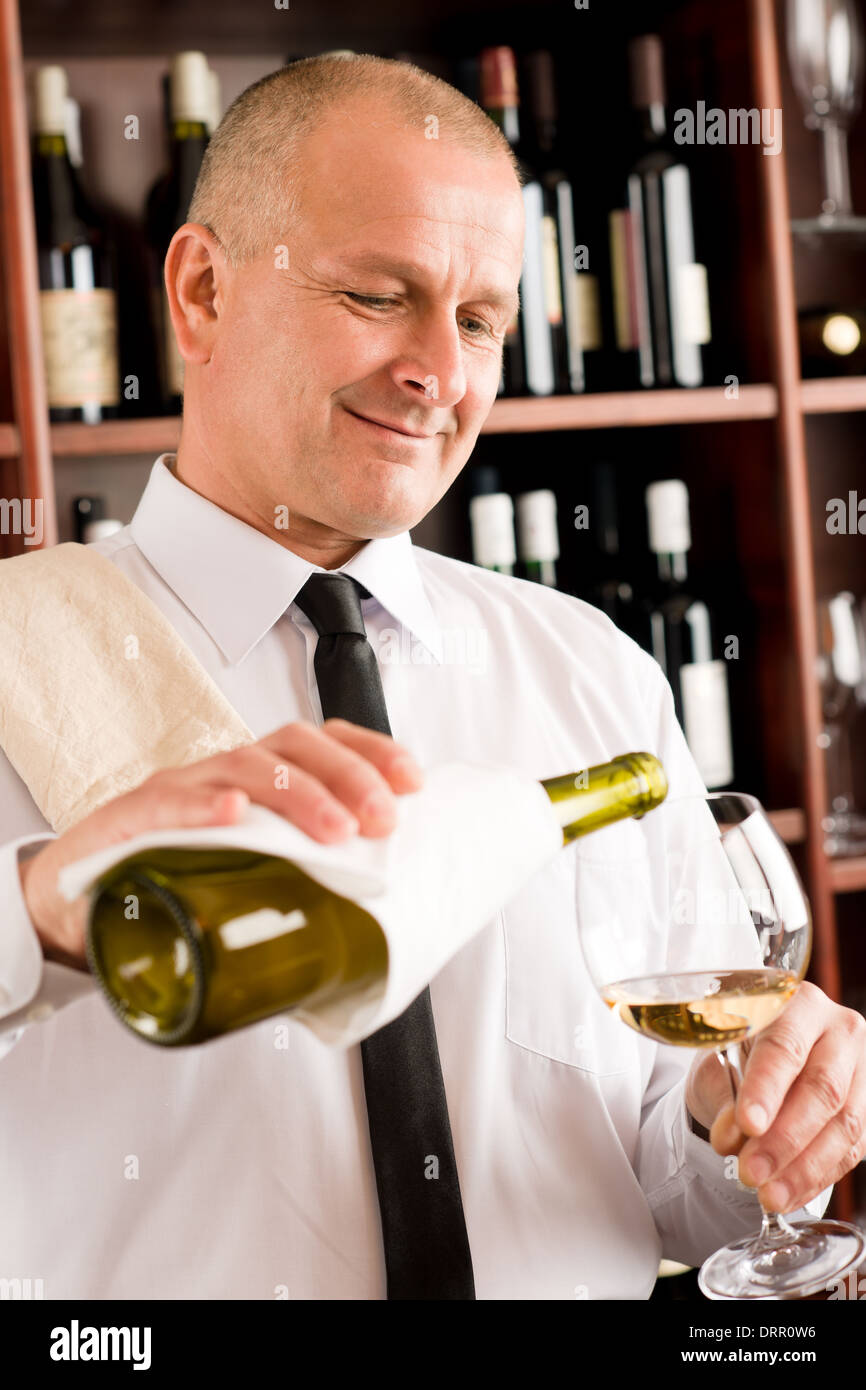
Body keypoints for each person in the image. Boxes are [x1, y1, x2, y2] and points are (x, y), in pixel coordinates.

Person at [1, 55, 863, 1301]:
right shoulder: (21, 648)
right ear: (199, 290)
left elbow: (677, 1186)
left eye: (476, 321)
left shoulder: (593, 673)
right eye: (376, 294)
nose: (437, 372)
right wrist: (41, 909)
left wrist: (753, 1122)